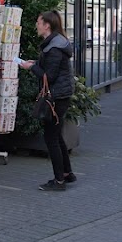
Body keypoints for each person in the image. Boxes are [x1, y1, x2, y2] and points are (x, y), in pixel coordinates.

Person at [20, 10, 76, 191]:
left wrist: (31, 68)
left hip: (56, 97)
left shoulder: (54, 47)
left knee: (51, 138)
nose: (36, 25)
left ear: (47, 25)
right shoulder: (55, 44)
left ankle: (59, 181)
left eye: (38, 22)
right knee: (56, 135)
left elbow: (49, 76)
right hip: (61, 95)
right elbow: (51, 67)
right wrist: (35, 63)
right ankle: (67, 173)